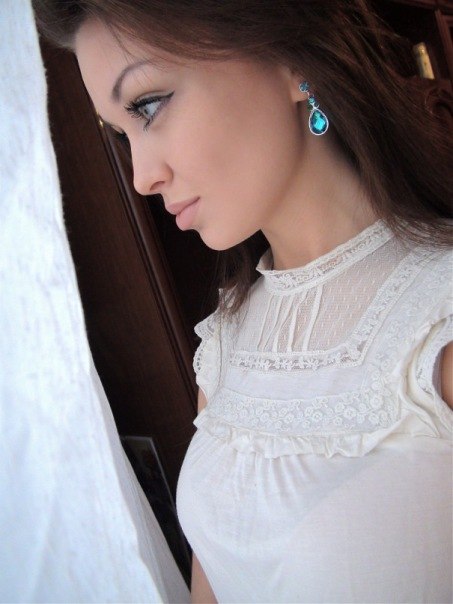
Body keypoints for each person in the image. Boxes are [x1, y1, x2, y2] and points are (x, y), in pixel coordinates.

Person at [33, 1, 452, 602]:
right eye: (121, 134)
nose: (142, 176)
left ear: (291, 60)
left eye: (148, 106)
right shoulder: (226, 347)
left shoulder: (436, 321)